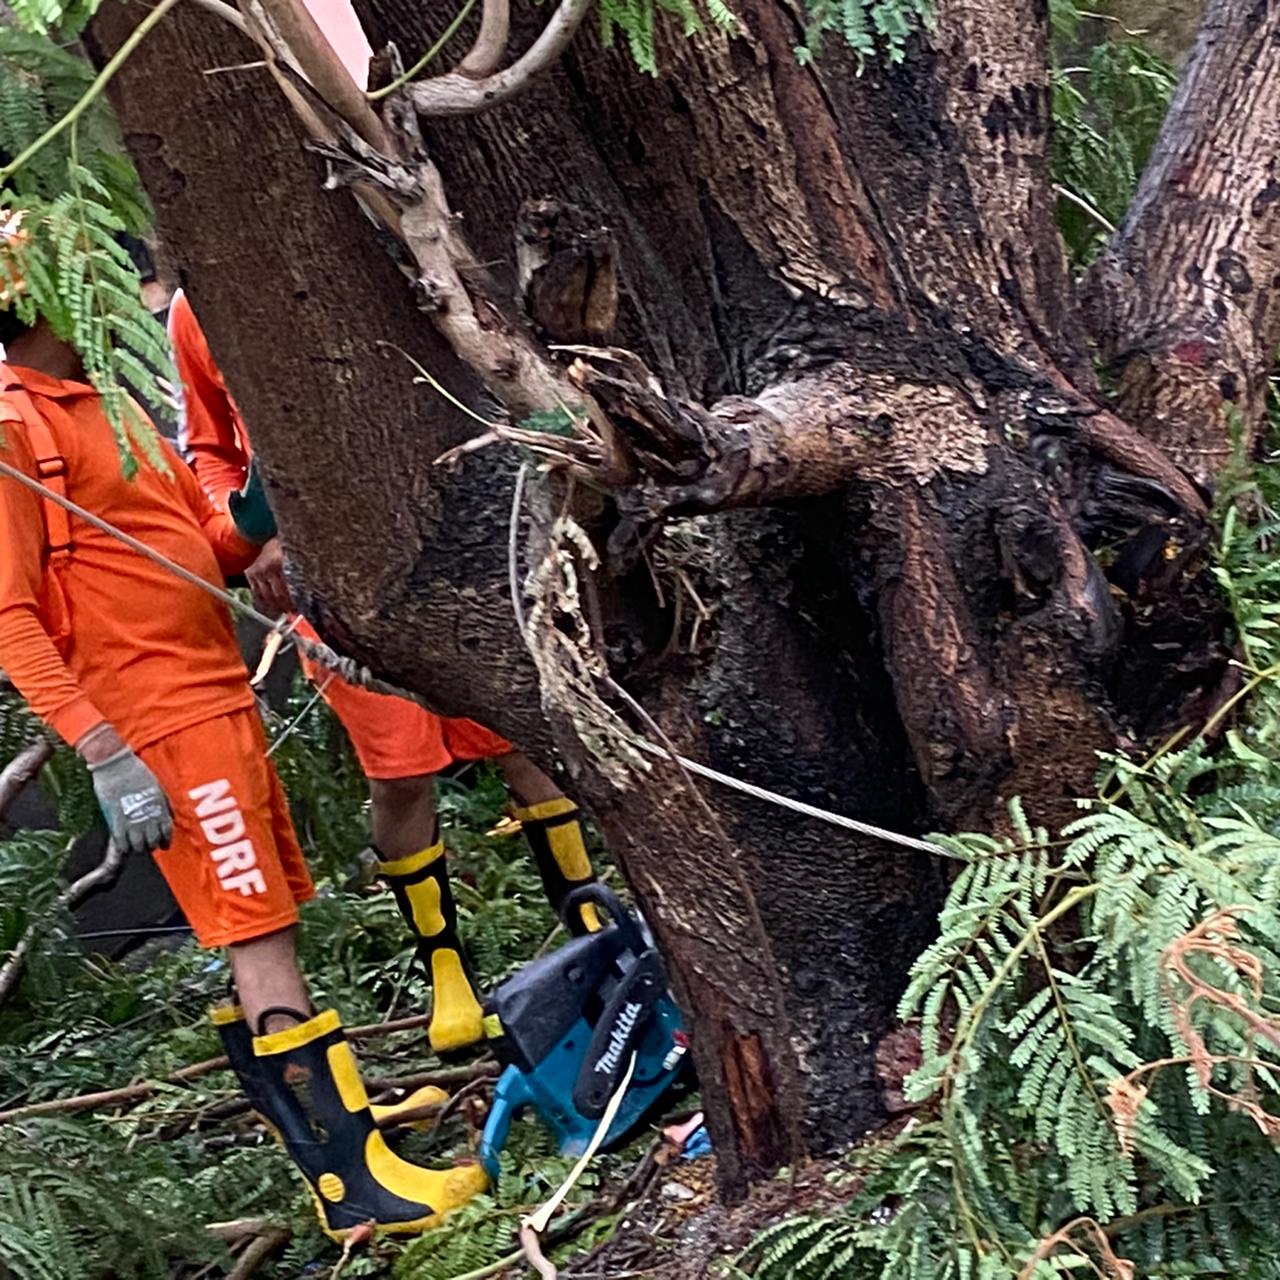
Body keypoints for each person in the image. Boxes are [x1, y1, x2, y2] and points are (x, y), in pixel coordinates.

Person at [0, 292, 487, 1238]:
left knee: (269, 919)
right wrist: (103, 750)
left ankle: (347, 1128)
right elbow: (10, 617)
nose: (91, 278)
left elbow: (214, 551)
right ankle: (353, 1186)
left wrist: (267, 483)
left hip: (218, 691)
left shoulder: (109, 399)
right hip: (159, 720)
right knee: (256, 938)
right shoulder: (13, 430)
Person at [167, 290, 603, 1056]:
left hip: (449, 537)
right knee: (399, 771)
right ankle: (446, 968)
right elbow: (210, 450)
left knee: (519, 733)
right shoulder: (192, 306)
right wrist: (245, 534)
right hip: (329, 576)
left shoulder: (354, 249)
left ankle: (592, 923)